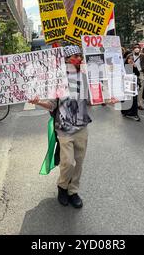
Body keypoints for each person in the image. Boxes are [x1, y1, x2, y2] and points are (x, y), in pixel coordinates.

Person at [29, 45, 117, 209]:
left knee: (79, 162)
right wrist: (37, 102)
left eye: (80, 56)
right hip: (63, 127)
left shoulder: (85, 78)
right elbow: (51, 105)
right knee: (68, 162)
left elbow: (92, 100)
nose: (79, 59)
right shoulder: (57, 80)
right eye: (76, 56)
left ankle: (73, 191)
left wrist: (108, 100)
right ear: (67, 60)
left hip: (81, 126)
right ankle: (62, 186)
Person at [121, 54, 140, 121]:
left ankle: (133, 114)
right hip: (126, 86)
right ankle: (126, 112)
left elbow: (137, 74)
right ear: (127, 59)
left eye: (132, 59)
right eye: (129, 59)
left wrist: (135, 67)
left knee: (134, 99)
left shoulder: (133, 66)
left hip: (133, 86)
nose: (131, 60)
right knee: (127, 99)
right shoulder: (124, 66)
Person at [132, 44, 144, 110]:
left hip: (140, 73)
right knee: (132, 89)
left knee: (140, 89)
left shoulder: (142, 56)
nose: (137, 49)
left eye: (138, 48)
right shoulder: (130, 56)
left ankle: (139, 104)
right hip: (132, 73)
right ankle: (133, 103)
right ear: (133, 49)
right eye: (135, 47)